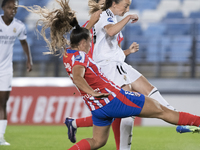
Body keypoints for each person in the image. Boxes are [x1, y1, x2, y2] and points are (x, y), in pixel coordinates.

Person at [21, 1, 200, 149]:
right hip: (113, 98)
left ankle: (74, 124)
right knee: (162, 111)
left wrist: (91, 22)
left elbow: (82, 35)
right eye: (90, 41)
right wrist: (93, 92)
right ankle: (197, 121)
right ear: (83, 43)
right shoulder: (81, 57)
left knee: (98, 142)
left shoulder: (68, 54)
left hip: (98, 108)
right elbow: (78, 76)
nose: (92, 44)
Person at [65, 0, 175, 149]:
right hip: (103, 69)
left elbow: (113, 53)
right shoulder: (100, 19)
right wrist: (128, 18)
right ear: (112, 3)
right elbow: (85, 44)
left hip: (114, 66)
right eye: (126, 5)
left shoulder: (109, 22)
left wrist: (128, 52)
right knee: (124, 109)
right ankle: (173, 116)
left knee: (128, 103)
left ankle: (174, 114)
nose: (127, 8)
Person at [0, 0, 32, 145]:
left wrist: (28, 60)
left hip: (5, 70)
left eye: (15, 8)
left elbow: (24, 42)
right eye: (9, 8)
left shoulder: (19, 26)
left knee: (3, 103)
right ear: (2, 8)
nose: (12, 10)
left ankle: (0, 137)